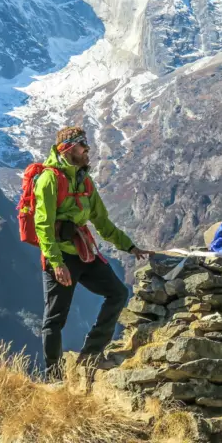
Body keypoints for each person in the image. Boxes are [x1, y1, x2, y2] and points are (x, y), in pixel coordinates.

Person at [34, 126, 150, 380]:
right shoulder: (49, 180)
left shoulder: (84, 181)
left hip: (84, 253)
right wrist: (56, 263)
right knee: (55, 319)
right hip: (61, 258)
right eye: (81, 146)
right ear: (67, 149)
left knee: (118, 293)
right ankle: (53, 377)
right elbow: (43, 225)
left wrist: (129, 246)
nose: (87, 150)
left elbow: (102, 221)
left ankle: (91, 352)